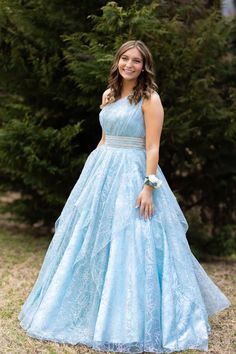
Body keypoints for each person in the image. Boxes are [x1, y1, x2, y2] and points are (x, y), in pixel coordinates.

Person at [18, 40, 231, 353]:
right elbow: (104, 139)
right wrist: (89, 178)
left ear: (144, 66)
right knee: (88, 237)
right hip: (102, 170)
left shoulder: (149, 98)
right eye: (125, 59)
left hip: (134, 172)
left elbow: (153, 147)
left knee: (132, 239)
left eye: (136, 61)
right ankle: (91, 311)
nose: (129, 65)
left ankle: (125, 319)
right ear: (117, 61)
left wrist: (148, 186)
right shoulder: (108, 95)